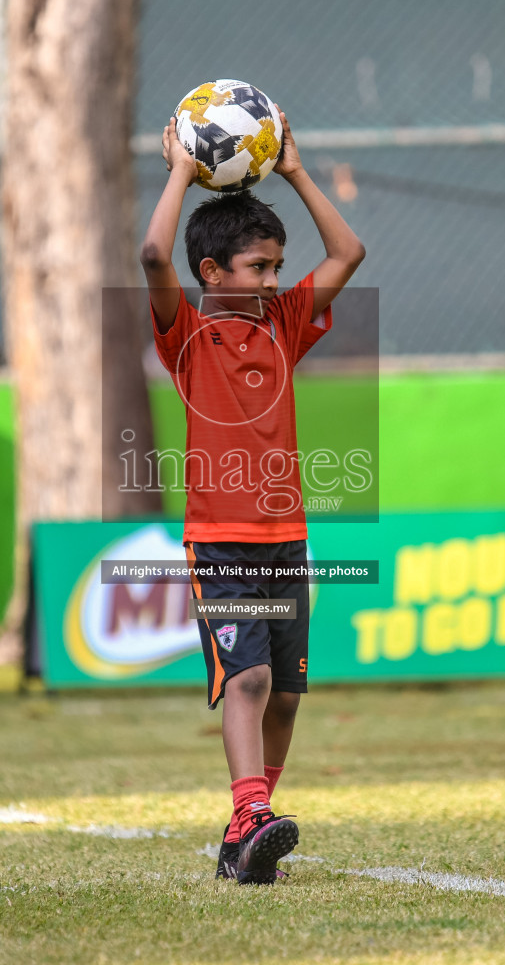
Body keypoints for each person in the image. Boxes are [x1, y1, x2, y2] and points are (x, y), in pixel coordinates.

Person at [139, 109, 365, 885]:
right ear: (212, 274)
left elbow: (350, 251)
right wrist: (181, 166)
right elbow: (149, 253)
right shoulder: (187, 336)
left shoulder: (285, 325)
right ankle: (248, 813)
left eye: (276, 267)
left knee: (289, 697)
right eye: (259, 267)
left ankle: (247, 836)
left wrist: (297, 169)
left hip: (286, 542)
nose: (274, 280)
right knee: (252, 680)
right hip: (222, 542)